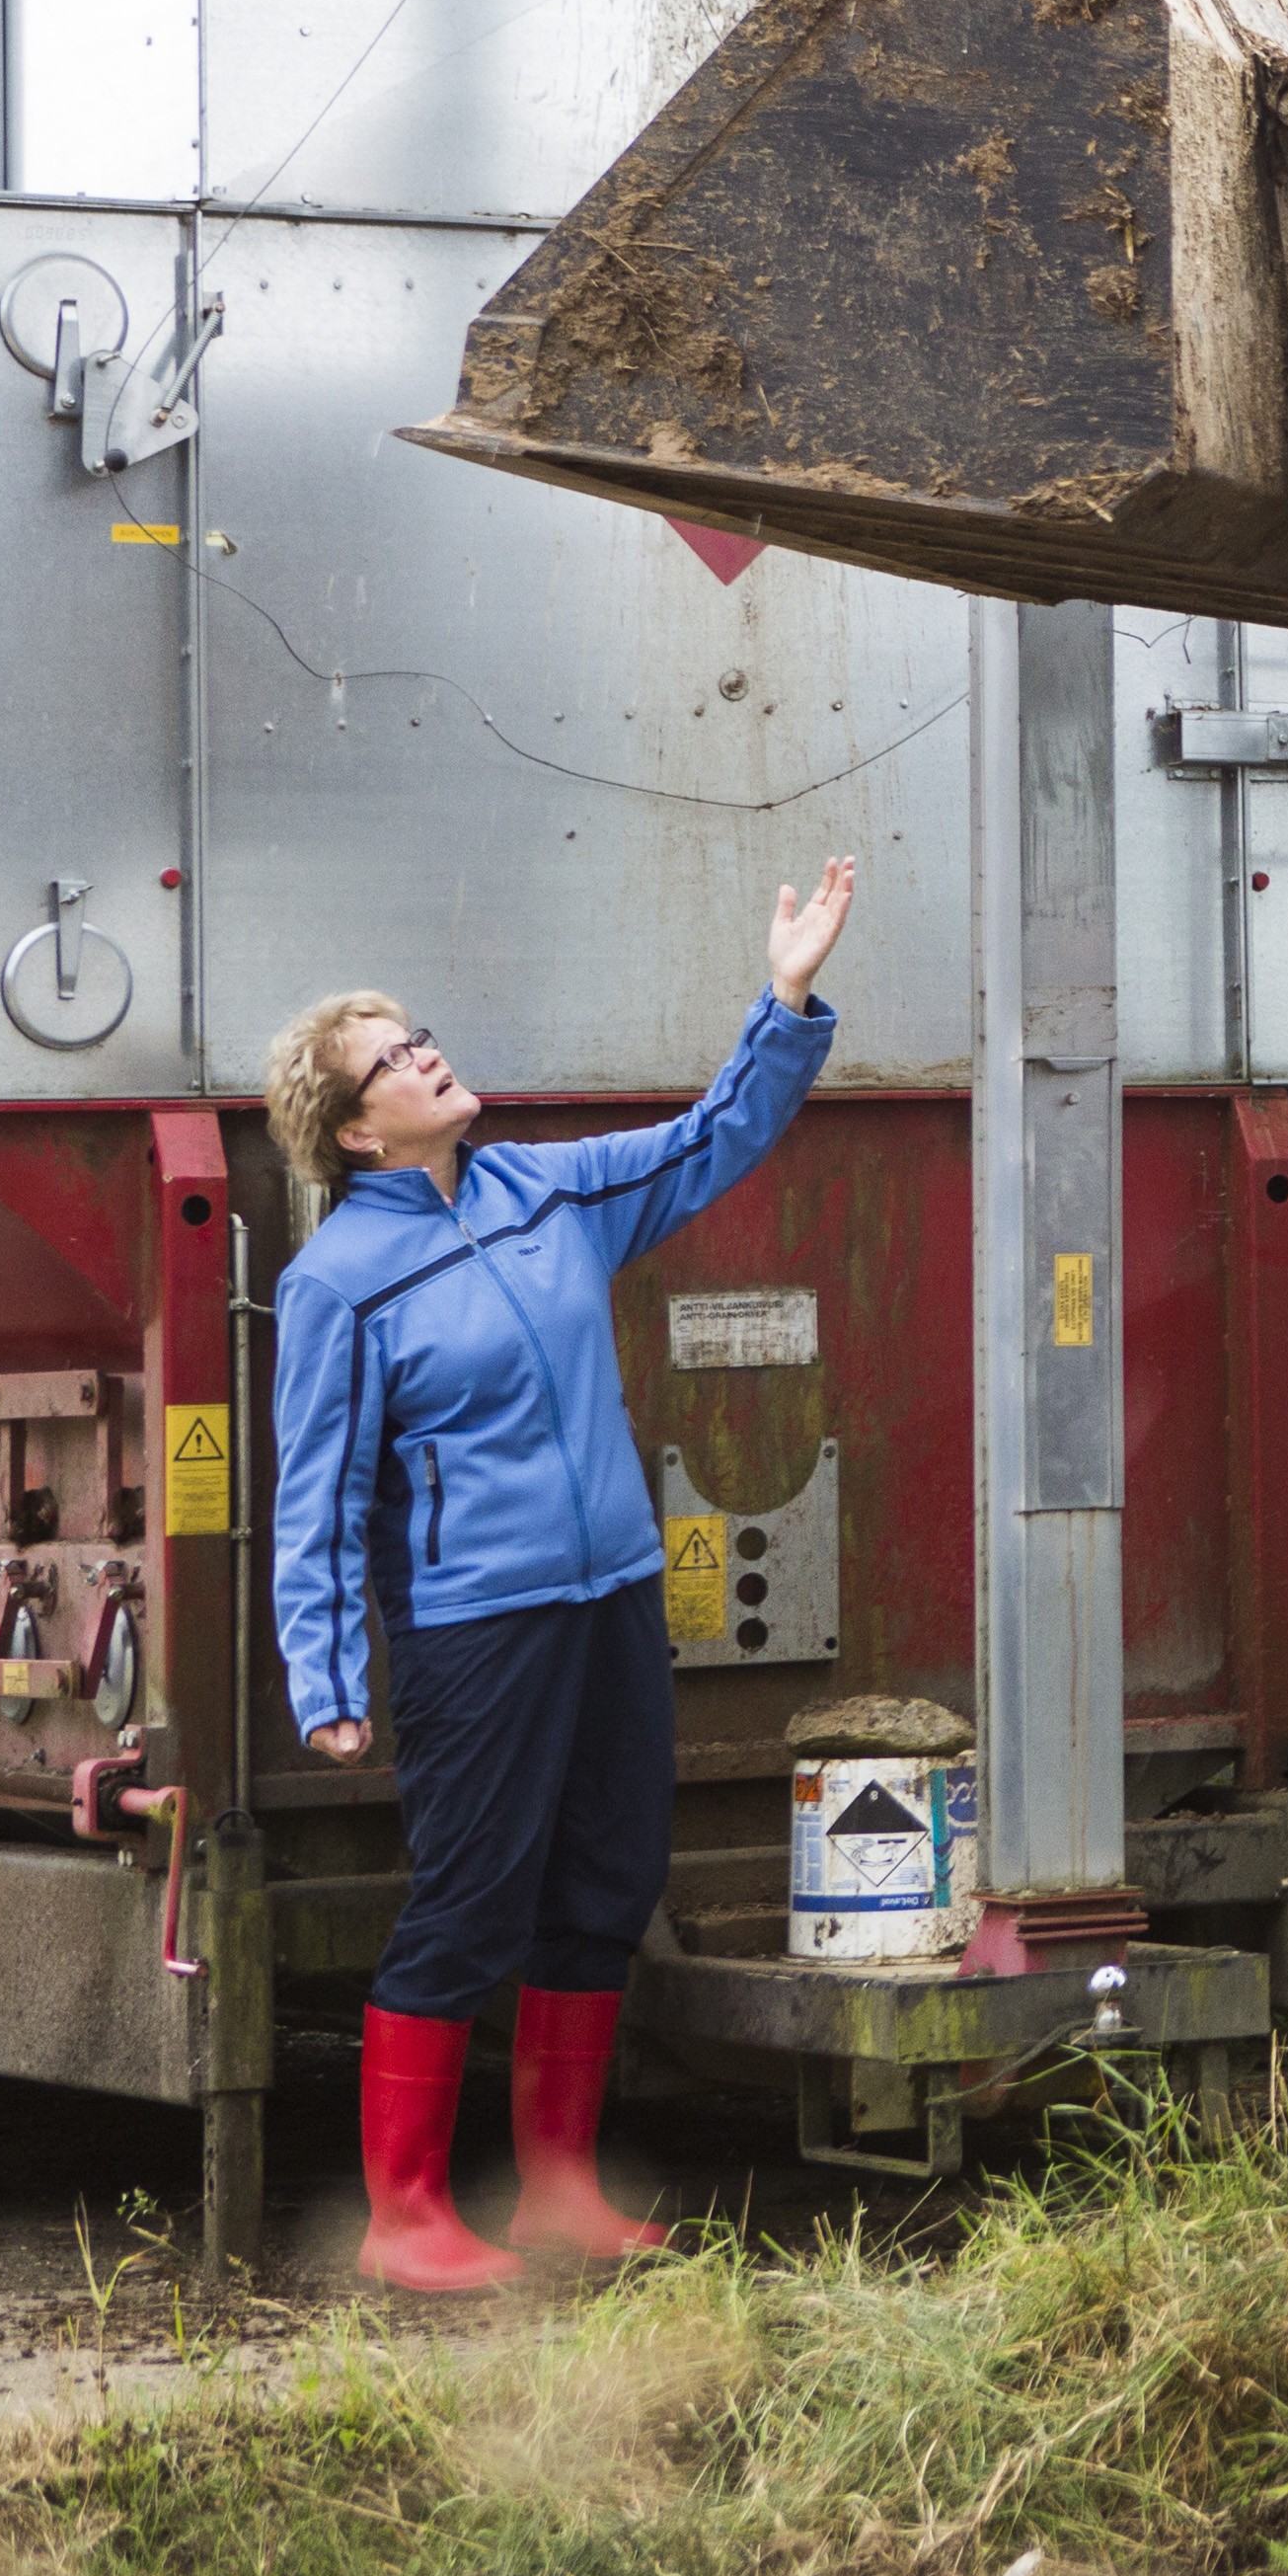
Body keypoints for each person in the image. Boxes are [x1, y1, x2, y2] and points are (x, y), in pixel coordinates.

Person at [262, 858, 859, 2291]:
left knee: (607, 1879)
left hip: (612, 1595)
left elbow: (714, 1138)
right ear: (352, 1129)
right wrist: (329, 1676)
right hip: (478, 1626)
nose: (426, 1052)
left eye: (419, 1033)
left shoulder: (545, 1193)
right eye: (392, 1057)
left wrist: (783, 998)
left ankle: (559, 2193)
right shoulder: (340, 1281)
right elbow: (317, 1497)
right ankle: (405, 2217)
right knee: (472, 1900)